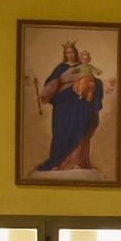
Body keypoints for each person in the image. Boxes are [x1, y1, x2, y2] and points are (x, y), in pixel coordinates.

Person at [37, 40, 105, 173]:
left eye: (72, 52)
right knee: (62, 130)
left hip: (81, 103)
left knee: (80, 128)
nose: (70, 54)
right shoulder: (61, 68)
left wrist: (94, 84)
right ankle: (60, 162)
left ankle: (77, 161)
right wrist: (44, 94)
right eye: (67, 52)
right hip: (64, 102)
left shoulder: (84, 66)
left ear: (76, 53)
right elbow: (52, 84)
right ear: (65, 54)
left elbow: (93, 79)